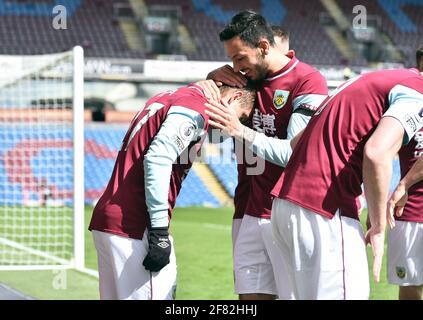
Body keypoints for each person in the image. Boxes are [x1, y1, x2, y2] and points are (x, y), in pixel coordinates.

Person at [206, 67, 423, 299]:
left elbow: (297, 142)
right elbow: (377, 153)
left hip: (284, 206)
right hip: (325, 206)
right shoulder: (415, 88)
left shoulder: (367, 82)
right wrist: (379, 227)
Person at [88, 82, 256, 300]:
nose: (235, 125)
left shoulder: (172, 95)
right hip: (135, 225)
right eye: (241, 116)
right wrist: (159, 232)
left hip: (112, 220)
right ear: (235, 97)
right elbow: (158, 158)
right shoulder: (195, 107)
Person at [205, 10, 328, 300]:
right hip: (249, 211)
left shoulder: (307, 82)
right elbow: (213, 136)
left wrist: (240, 130)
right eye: (232, 59)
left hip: (288, 215)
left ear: (263, 46)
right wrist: (213, 82)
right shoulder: (247, 80)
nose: (236, 66)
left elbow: (293, 154)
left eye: (240, 58)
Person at [386, 126, 423, 300]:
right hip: (408, 213)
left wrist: (403, 184)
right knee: (409, 286)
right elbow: (382, 154)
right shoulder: (406, 108)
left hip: (407, 208)